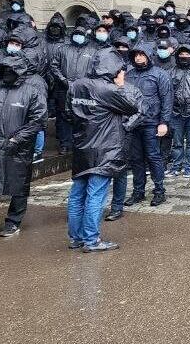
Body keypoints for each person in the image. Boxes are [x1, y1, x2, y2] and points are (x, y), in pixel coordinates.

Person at [66, 49, 138, 252]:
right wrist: (121, 85)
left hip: (82, 147)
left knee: (77, 194)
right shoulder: (108, 89)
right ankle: (91, 240)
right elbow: (132, 106)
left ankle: (75, 238)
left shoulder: (77, 86)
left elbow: (67, 112)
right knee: (95, 195)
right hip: (104, 150)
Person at [0, 55, 47, 238]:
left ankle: (14, 221)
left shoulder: (32, 92)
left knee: (18, 185)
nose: (8, 74)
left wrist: (17, 139)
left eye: (12, 71)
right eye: (5, 70)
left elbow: (38, 120)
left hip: (18, 148)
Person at [124, 48, 172, 207]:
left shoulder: (159, 74)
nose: (138, 58)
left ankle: (159, 191)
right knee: (136, 158)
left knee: (153, 156)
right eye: (135, 55)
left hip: (152, 122)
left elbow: (166, 99)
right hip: (133, 123)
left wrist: (164, 122)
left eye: (141, 55)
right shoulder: (129, 75)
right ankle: (138, 191)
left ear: (148, 56)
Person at [167, 45, 190, 178]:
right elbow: (167, 92)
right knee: (177, 142)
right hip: (176, 113)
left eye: (187, 55)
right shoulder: (171, 72)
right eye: (181, 55)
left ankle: (189, 167)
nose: (184, 57)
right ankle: (176, 167)